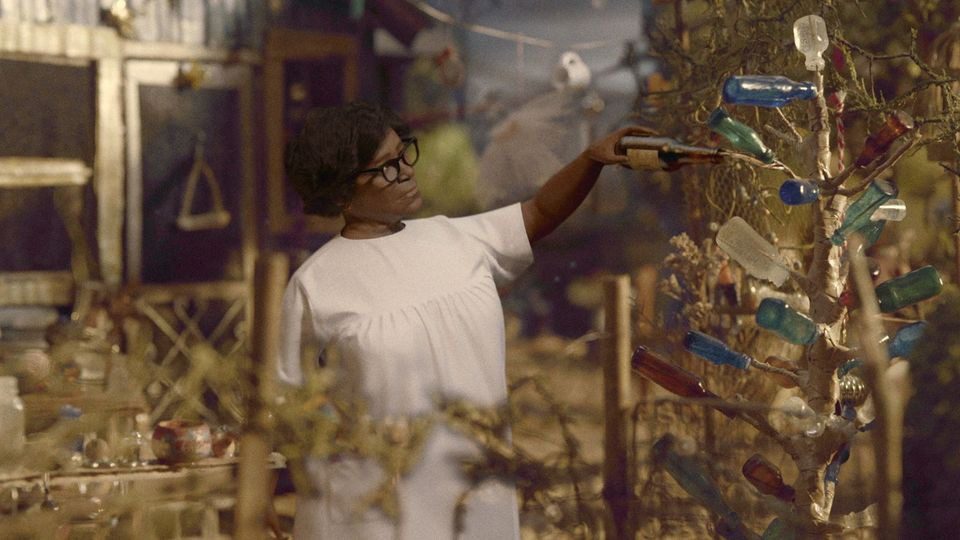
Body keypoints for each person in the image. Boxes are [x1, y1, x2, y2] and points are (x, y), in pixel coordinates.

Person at [277, 101, 652, 539]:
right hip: (376, 510)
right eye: (386, 167)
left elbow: (539, 213)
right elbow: (286, 409)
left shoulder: (454, 239)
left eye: (404, 155)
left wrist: (591, 160)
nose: (407, 172)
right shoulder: (316, 284)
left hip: (478, 492)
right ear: (342, 191)